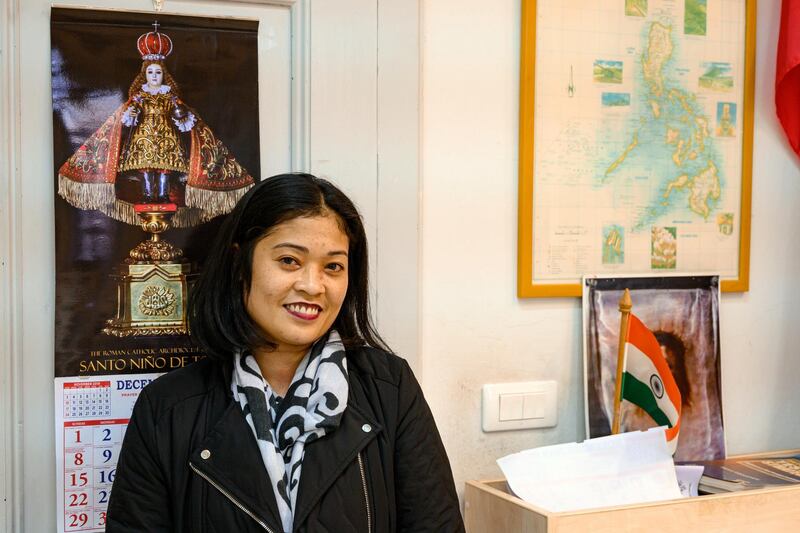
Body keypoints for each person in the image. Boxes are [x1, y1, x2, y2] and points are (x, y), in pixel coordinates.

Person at [106, 173, 465, 532]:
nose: (312, 285)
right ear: (239, 263)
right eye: (290, 260)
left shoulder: (390, 389)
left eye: (333, 267)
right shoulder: (167, 408)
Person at [57, 24, 254, 228]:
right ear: (145, 74)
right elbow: (126, 120)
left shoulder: (170, 97)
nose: (153, 76)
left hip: (167, 140)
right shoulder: (139, 97)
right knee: (145, 171)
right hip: (143, 140)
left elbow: (185, 121)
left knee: (164, 171)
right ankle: (148, 195)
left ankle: (161, 196)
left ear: (163, 75)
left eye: (157, 73)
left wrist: (182, 116)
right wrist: (131, 115)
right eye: (150, 72)